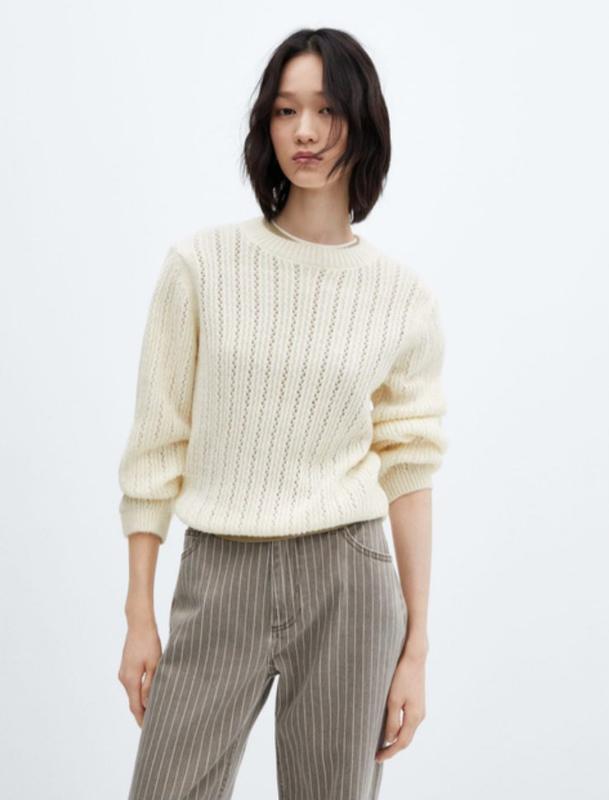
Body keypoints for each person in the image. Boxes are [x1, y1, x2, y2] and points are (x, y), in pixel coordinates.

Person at [117, 26, 448, 800]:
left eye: (327, 110)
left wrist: (416, 648)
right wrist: (138, 614)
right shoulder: (201, 266)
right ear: (265, 125)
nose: (305, 131)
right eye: (285, 110)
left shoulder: (401, 298)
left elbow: (408, 468)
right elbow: (155, 449)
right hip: (219, 571)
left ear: (360, 122)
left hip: (347, 581)